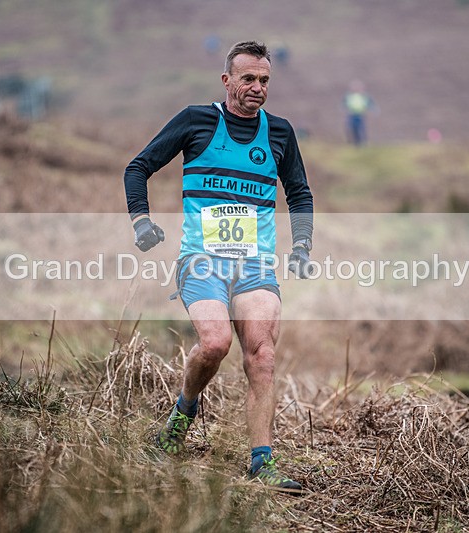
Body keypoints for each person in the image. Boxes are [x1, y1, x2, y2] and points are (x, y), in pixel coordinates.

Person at [123, 40, 314, 494]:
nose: (257, 88)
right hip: (202, 262)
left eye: (264, 80)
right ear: (227, 80)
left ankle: (261, 462)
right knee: (215, 343)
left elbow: (300, 193)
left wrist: (302, 245)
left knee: (262, 354)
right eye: (248, 78)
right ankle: (180, 417)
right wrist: (141, 221)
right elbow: (138, 167)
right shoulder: (196, 121)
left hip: (254, 266)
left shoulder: (280, 133)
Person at [344, 80, 377, 146]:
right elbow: (344, 104)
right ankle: (355, 143)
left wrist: (373, 110)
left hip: (361, 115)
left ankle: (364, 143)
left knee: (361, 129)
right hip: (352, 115)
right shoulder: (349, 96)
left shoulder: (364, 96)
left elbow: (370, 104)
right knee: (352, 129)